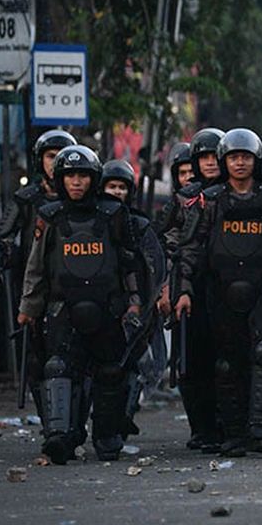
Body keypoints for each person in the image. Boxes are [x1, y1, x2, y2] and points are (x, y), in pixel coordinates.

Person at [174, 129, 262, 456]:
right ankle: (234, 433)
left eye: (245, 157)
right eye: (233, 157)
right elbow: (190, 249)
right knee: (227, 363)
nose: (239, 163)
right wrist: (183, 290)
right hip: (220, 290)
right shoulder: (209, 201)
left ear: (256, 160)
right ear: (224, 160)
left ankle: (260, 429)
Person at [17, 146, 145, 463]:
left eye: (83, 176)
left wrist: (135, 303)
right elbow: (36, 268)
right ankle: (59, 436)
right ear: (61, 179)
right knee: (57, 367)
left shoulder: (114, 214)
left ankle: (108, 436)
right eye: (70, 176)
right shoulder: (49, 216)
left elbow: (130, 263)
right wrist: (28, 309)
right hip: (62, 308)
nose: (76, 182)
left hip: (107, 308)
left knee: (111, 371)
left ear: (94, 179)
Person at [0, 130, 77, 415]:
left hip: (74, 288)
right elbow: (2, 240)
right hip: (33, 289)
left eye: (60, 156)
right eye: (50, 156)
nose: (55, 162)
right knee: (36, 360)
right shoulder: (26, 199)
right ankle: (51, 419)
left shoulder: (80, 196)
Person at [158, 128, 225, 452]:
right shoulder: (185, 198)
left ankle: (233, 426)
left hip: (230, 289)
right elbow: (165, 238)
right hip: (190, 287)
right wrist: (168, 286)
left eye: (215, 156)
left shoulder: (242, 192)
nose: (210, 163)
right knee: (190, 360)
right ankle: (202, 428)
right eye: (203, 157)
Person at [100, 159, 167, 438]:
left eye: (121, 187)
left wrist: (148, 302)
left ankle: (123, 418)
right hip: (100, 306)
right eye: (111, 187)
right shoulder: (91, 222)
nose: (116, 192)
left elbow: (154, 266)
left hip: (136, 306)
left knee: (137, 365)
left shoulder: (139, 225)